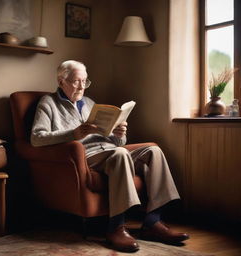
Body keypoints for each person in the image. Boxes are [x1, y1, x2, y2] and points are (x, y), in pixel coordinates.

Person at [31, 60, 189, 252]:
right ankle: (116, 227)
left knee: (153, 151)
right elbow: (36, 138)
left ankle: (153, 222)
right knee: (120, 154)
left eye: (85, 81)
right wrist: (74, 134)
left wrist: (119, 135)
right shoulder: (48, 103)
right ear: (61, 80)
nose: (82, 86)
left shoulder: (89, 103)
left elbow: (115, 143)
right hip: (86, 155)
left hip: (110, 150)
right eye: (76, 81)